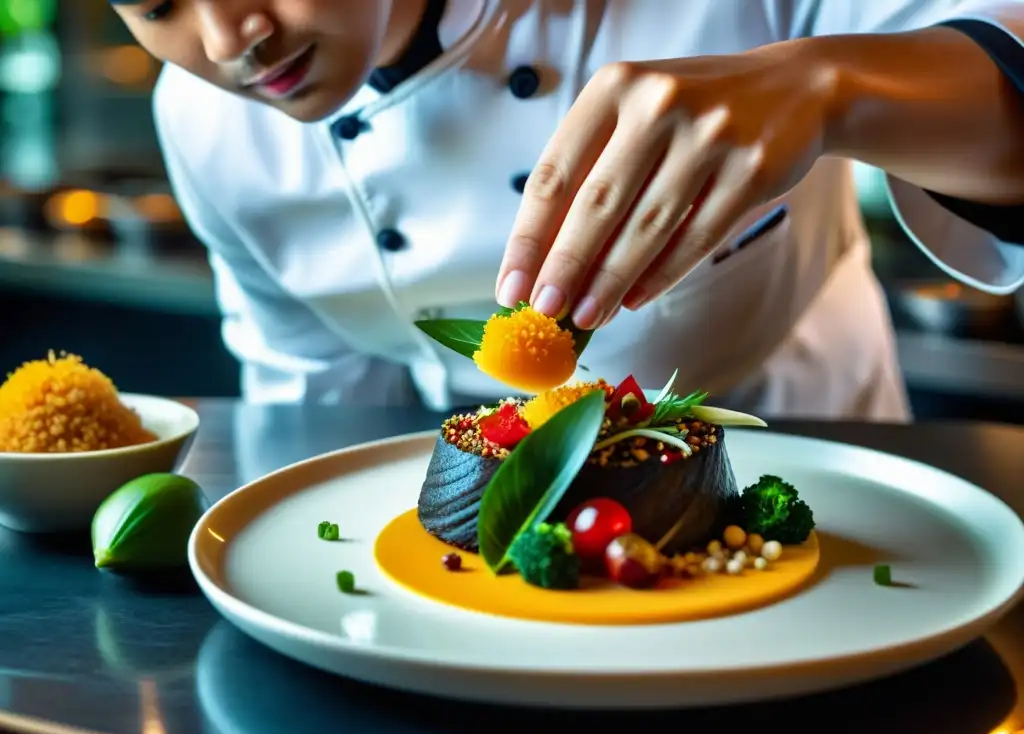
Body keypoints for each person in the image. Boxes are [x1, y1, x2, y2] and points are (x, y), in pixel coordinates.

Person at [110, 0, 1024, 420]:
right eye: (155, 5)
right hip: (491, 566)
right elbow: (318, 412)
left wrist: (830, 90)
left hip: (823, 484)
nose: (232, 37)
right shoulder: (205, 123)